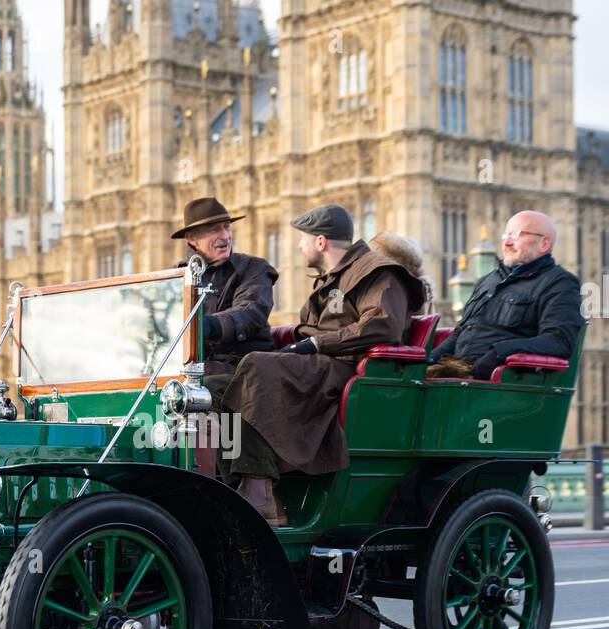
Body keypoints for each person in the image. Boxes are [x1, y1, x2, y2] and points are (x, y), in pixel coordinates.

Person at [206, 204, 427, 525]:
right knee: (213, 389)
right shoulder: (332, 277)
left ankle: (260, 492)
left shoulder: (378, 271)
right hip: (316, 366)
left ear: (321, 241)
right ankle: (236, 483)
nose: (299, 246)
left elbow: (382, 326)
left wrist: (314, 343)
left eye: (303, 239)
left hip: (343, 366)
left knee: (256, 366)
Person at [427, 210, 583, 379]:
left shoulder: (559, 283)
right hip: (457, 375)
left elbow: (560, 341)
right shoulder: (487, 281)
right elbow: (461, 332)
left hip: (502, 381)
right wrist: (432, 357)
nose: (507, 242)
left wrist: (499, 353)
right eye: (505, 235)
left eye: (517, 235)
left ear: (544, 243)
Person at [172, 197, 277, 376]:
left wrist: (209, 325)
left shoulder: (253, 268)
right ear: (192, 238)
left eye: (227, 227)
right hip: (191, 369)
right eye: (214, 229)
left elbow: (250, 312)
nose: (225, 236)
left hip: (243, 369)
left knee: (197, 391)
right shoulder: (177, 276)